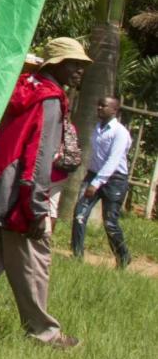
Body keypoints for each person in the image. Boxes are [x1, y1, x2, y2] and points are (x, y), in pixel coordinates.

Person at [0, 37, 91, 348]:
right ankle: (43, 333)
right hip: (18, 194)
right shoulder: (50, 99)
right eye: (74, 63)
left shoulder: (25, 87)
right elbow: (38, 156)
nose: (80, 70)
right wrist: (36, 208)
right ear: (56, 64)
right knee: (34, 261)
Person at [71, 95, 133, 268]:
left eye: (103, 106)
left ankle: (123, 256)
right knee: (79, 215)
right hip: (94, 175)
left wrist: (95, 183)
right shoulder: (98, 127)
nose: (99, 108)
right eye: (98, 105)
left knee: (110, 222)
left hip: (114, 180)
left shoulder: (120, 132)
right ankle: (77, 255)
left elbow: (113, 161)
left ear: (114, 110)